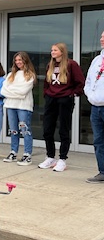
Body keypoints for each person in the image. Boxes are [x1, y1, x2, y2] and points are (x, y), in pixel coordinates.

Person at [38, 42, 85, 172]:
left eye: (55, 50)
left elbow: (80, 82)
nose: (52, 52)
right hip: (51, 99)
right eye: (52, 50)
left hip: (65, 100)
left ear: (62, 52)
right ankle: (50, 156)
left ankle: (62, 159)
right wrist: (46, 94)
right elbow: (47, 83)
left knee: (64, 130)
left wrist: (72, 94)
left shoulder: (71, 64)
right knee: (47, 129)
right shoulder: (50, 65)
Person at [1, 52, 36, 165]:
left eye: (20, 60)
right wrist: (17, 94)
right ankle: (13, 152)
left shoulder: (30, 75)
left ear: (25, 60)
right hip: (11, 105)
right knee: (13, 130)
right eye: (16, 60)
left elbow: (23, 91)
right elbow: (3, 90)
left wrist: (12, 92)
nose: (18, 62)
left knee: (25, 130)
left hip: (24, 107)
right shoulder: (11, 75)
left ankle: (27, 154)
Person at [84, 31, 104, 183]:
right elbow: (89, 81)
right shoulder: (97, 60)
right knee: (98, 141)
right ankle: (102, 172)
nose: (101, 39)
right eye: (101, 36)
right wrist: (90, 96)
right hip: (96, 108)